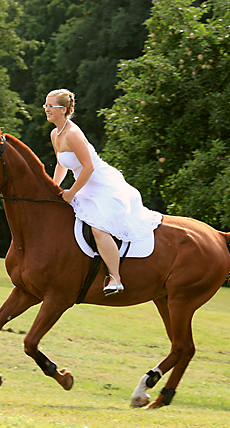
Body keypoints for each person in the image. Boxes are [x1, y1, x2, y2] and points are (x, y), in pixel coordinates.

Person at [45, 89, 163, 295]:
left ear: (63, 110)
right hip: (84, 184)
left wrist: (71, 193)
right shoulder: (55, 133)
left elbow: (88, 167)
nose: (46, 109)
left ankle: (115, 278)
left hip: (101, 184)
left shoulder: (73, 133)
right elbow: (61, 164)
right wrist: (53, 187)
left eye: (50, 106)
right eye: (45, 105)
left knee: (99, 228)